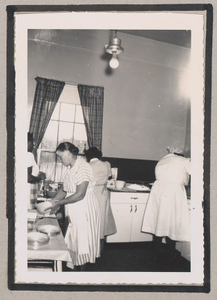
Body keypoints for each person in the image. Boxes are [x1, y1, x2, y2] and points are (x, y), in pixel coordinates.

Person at [46, 142, 100, 271]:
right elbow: (65, 190)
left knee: (82, 242)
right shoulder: (69, 168)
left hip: (84, 208)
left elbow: (80, 194)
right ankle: (75, 268)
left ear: (68, 152)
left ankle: (80, 275)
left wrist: (59, 203)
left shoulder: (83, 167)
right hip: (73, 206)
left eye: (60, 156)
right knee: (74, 240)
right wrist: (52, 202)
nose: (60, 159)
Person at [141, 146, 191, 262]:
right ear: (180, 154)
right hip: (173, 191)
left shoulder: (162, 160)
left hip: (158, 189)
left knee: (158, 220)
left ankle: (157, 252)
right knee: (172, 221)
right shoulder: (183, 161)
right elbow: (197, 172)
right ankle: (171, 253)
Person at [85, 147, 117, 251]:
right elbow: (108, 175)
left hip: (91, 193)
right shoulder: (107, 164)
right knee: (103, 221)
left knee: (91, 221)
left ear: (88, 156)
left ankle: (90, 249)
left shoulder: (87, 166)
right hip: (103, 194)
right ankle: (100, 249)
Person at [27, 132, 46, 209]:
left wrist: (37, 174)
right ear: (27, 143)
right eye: (32, 142)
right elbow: (28, 178)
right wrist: (40, 178)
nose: (34, 144)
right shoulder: (28, 155)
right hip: (28, 192)